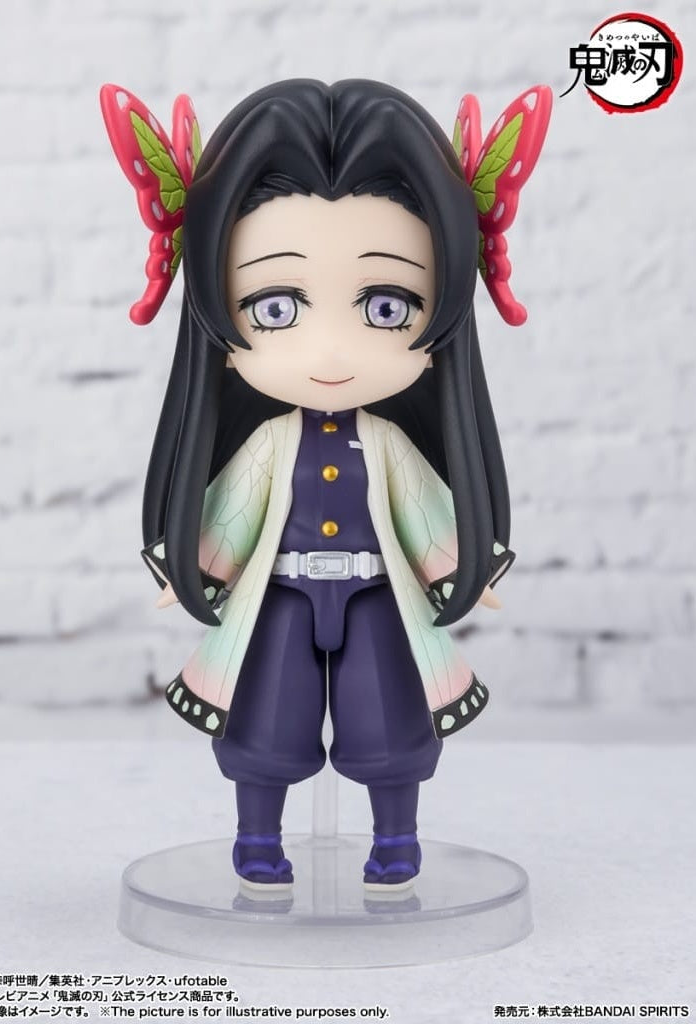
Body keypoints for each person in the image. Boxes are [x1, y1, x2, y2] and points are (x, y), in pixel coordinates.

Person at [101, 77, 551, 894]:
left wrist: (464, 567)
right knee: (266, 720)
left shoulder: (387, 443)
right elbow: (234, 513)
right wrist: (193, 568)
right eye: (275, 307)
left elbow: (422, 513)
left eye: (387, 307)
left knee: (390, 722)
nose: (332, 351)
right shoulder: (270, 442)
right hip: (279, 593)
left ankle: (395, 838)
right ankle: (258, 837)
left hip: (378, 593)